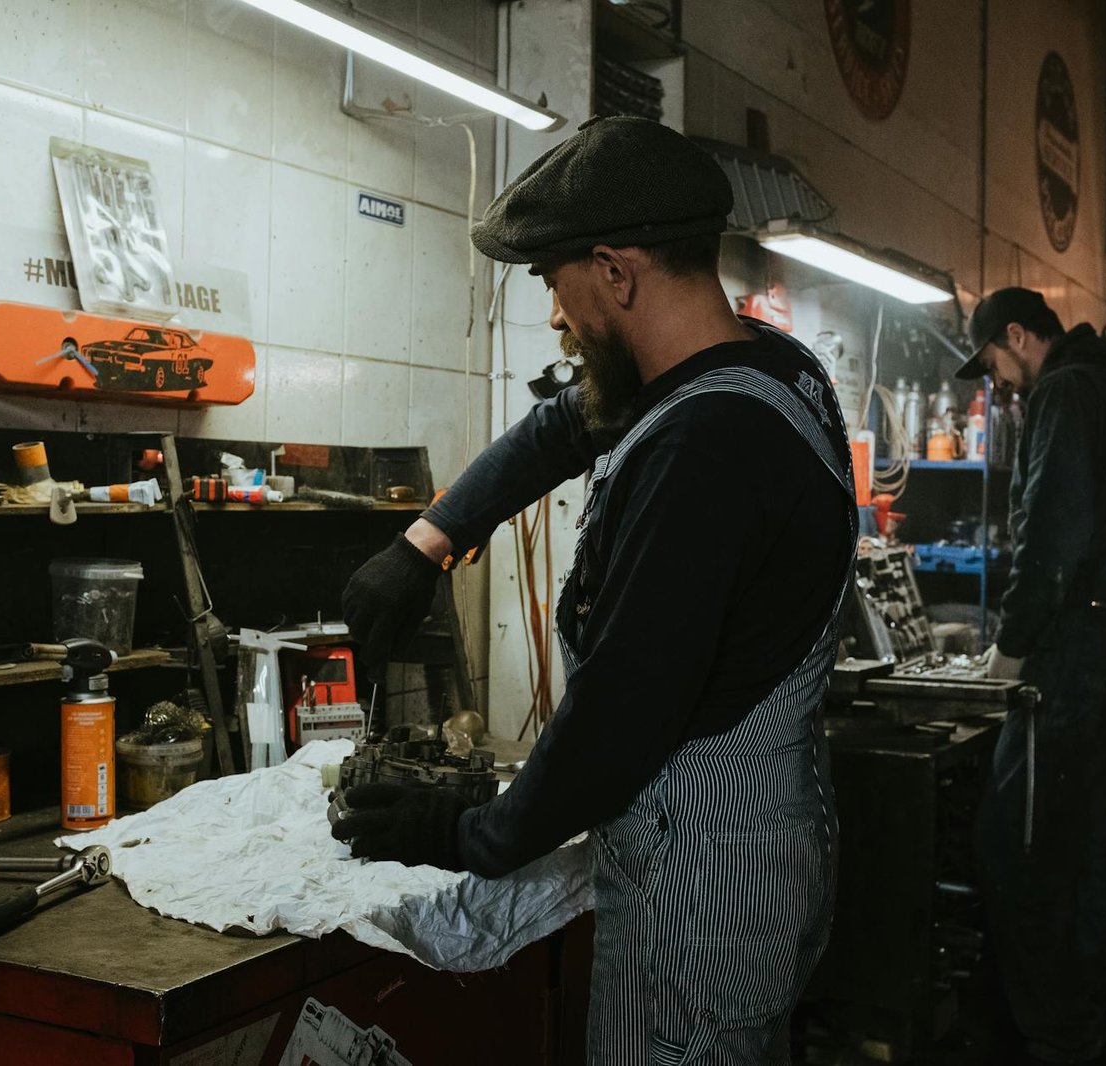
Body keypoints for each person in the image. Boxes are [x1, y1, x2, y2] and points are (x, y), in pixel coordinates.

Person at [335, 116, 859, 1063]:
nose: (551, 314)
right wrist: (428, 541)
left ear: (616, 273)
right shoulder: (763, 368)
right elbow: (562, 426)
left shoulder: (703, 452)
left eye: (552, 281)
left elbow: (618, 718)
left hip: (699, 885)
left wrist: (464, 832)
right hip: (765, 840)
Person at [956, 288, 1106, 1065]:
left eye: (995, 364)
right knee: (1095, 848)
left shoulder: (1066, 392)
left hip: (1075, 656)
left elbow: (1053, 524)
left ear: (1017, 335)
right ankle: (1082, 1026)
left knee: (1019, 845)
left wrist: (1012, 644)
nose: (998, 383)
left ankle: (1044, 1032)